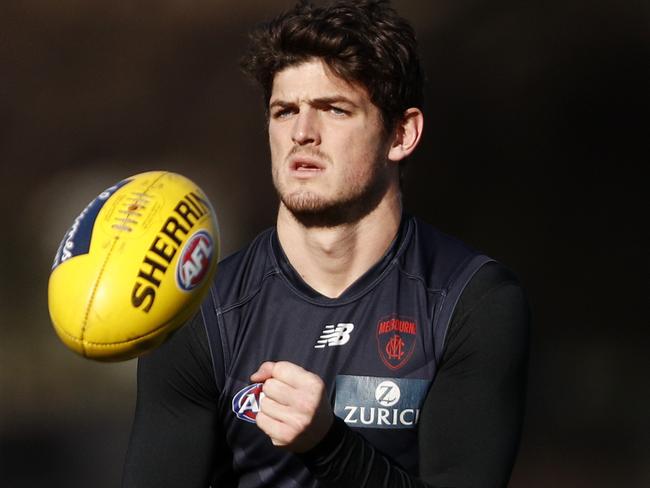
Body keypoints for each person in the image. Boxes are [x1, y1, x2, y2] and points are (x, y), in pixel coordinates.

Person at [122, 1, 530, 486]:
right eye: (284, 111)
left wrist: (328, 443)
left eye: (334, 109)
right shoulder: (199, 312)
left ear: (401, 134)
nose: (301, 133)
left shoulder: (470, 301)